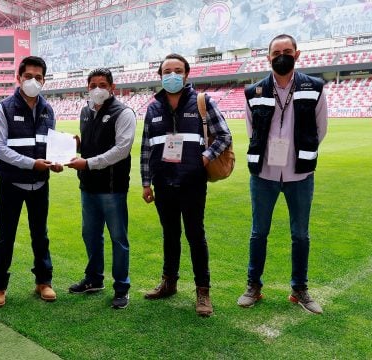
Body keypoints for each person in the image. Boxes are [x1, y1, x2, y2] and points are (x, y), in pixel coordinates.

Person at [238, 34, 328, 314]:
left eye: (287, 51)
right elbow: (252, 130)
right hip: (264, 174)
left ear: (297, 54)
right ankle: (254, 286)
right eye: (276, 52)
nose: (281, 55)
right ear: (268, 57)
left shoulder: (314, 87)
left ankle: (299, 289)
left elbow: (320, 128)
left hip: (299, 174)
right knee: (258, 233)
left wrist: (297, 155)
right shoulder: (254, 91)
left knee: (300, 235)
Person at [140, 53, 232, 317]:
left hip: (192, 182)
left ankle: (203, 290)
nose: (172, 75)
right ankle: (169, 282)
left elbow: (224, 135)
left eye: (177, 70)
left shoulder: (202, 102)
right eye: (167, 71)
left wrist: (205, 156)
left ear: (187, 74)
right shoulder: (153, 108)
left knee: (195, 235)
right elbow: (147, 148)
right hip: (163, 182)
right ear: (160, 76)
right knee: (170, 234)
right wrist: (146, 183)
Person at [0, 56, 63, 307]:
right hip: (12, 184)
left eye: (38, 77)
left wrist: (57, 161)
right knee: (6, 236)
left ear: (44, 80)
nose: (33, 81)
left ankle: (44, 281)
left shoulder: (48, 110)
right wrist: (31, 163)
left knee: (40, 235)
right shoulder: (3, 108)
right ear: (18, 78)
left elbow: (50, 146)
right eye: (28, 76)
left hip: (40, 184)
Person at [67, 68, 135, 309]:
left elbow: (121, 150)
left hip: (112, 188)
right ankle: (94, 279)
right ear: (87, 87)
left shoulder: (124, 113)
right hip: (88, 186)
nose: (98, 88)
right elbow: (91, 145)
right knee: (90, 235)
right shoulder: (85, 111)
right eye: (93, 84)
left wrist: (88, 163)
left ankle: (122, 287)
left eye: (103, 84)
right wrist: (76, 145)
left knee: (118, 238)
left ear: (112, 87)